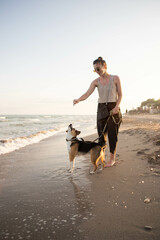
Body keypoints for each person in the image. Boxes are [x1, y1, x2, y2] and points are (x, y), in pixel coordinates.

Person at [73, 56, 122, 167]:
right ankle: (102, 157)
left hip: (113, 108)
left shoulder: (115, 78)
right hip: (101, 109)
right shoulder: (96, 81)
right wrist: (78, 99)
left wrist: (117, 107)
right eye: (95, 70)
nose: (97, 72)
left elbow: (120, 95)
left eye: (98, 69)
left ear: (104, 66)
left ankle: (112, 159)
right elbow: (87, 94)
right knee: (101, 136)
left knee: (112, 135)